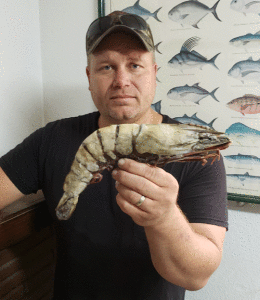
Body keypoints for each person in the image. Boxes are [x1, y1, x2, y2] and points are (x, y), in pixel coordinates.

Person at [0, 11, 228, 300]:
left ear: (154, 73)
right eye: (107, 67)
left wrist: (165, 217)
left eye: (135, 65)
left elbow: (196, 277)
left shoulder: (202, 156)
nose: (121, 80)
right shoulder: (50, 139)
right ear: (89, 77)